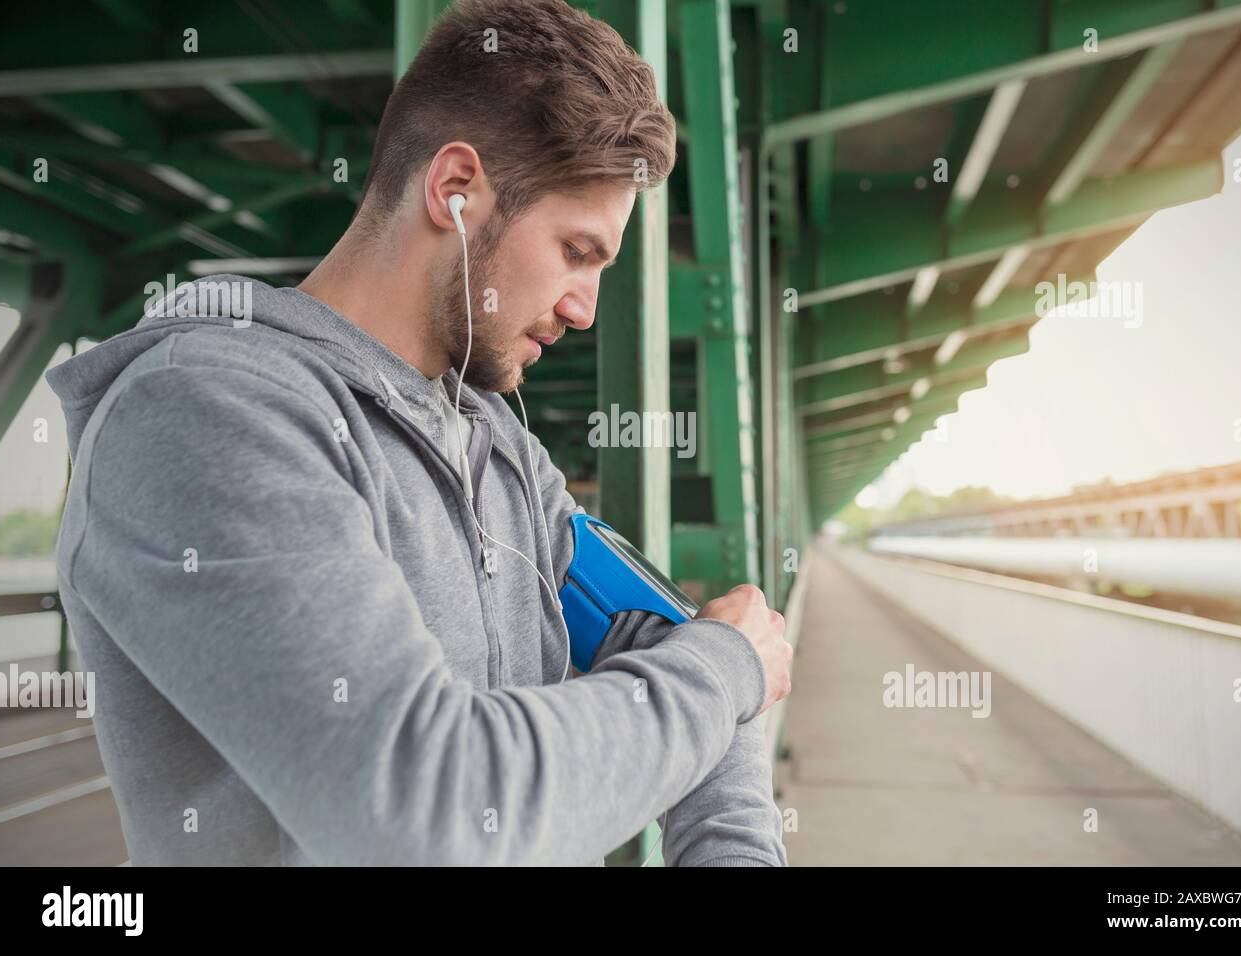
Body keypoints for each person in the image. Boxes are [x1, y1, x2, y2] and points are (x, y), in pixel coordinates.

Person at [46, 0, 791, 866]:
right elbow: (423, 811)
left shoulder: (503, 452)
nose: (586, 309)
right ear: (455, 189)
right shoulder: (199, 415)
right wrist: (723, 670)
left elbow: (670, 640)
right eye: (577, 252)